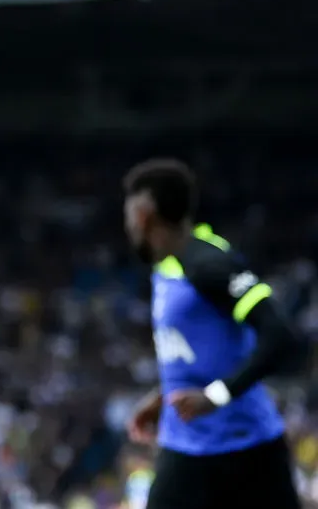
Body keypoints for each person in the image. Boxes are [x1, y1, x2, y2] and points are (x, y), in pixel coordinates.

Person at [121, 158, 303, 509]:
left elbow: (280, 336)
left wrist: (215, 396)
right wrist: (165, 395)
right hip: (185, 448)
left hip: (247, 449)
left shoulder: (209, 264)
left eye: (129, 215)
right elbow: (207, 349)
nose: (127, 226)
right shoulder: (168, 265)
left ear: (144, 215)